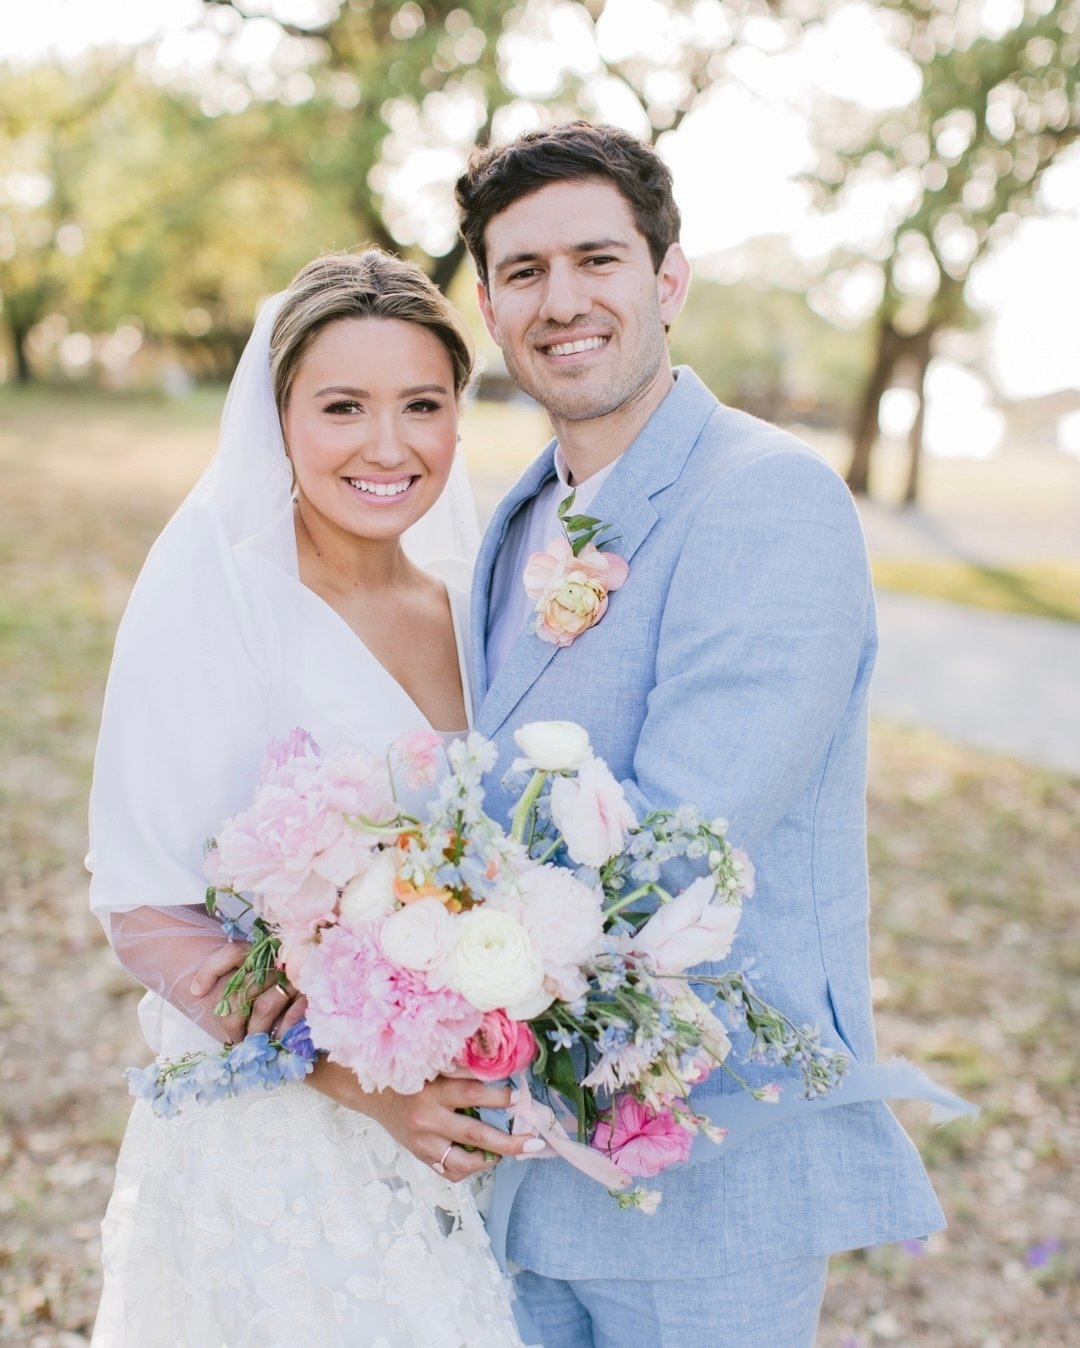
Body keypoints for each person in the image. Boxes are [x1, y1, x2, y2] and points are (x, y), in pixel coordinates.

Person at [455, 121, 948, 1348]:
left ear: (668, 280)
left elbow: (684, 837)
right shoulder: (516, 514)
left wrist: (419, 962)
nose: (560, 301)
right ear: (488, 305)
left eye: (596, 260)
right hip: (518, 1165)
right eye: (523, 273)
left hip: (706, 1163)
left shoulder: (766, 496)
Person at [87, 250, 532, 1347]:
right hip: (283, 1143)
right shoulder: (221, 592)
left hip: (465, 1137)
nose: (389, 447)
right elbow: (144, 906)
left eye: (422, 405)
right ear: (278, 417)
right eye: (344, 407)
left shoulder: (472, 606)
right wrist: (356, 1078)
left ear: (459, 421)